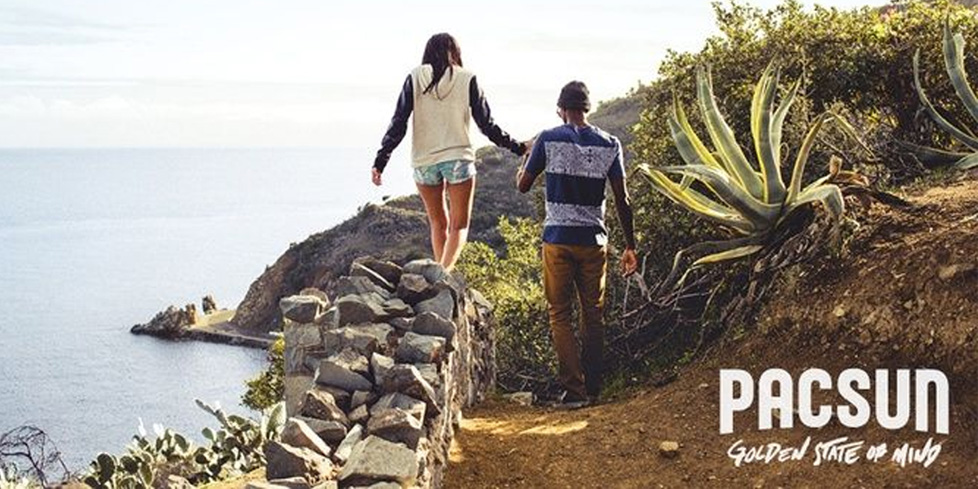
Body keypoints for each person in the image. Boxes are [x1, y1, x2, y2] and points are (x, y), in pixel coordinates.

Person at [517, 81, 638, 408]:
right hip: (593, 241)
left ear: (561, 109)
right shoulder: (610, 143)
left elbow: (523, 186)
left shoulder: (548, 138)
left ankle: (574, 391)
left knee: (560, 314)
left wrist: (526, 158)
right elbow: (622, 199)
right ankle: (594, 389)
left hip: (557, 240)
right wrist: (630, 246)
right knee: (593, 313)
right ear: (587, 108)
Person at [372, 33, 530, 270]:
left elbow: (398, 122)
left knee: (437, 223)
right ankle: (444, 274)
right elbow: (487, 125)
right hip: (458, 159)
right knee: (459, 226)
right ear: (455, 52)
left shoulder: (414, 77)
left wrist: (380, 161)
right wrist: (518, 147)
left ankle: (439, 275)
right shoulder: (467, 78)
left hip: (424, 161)